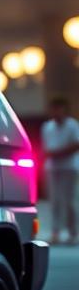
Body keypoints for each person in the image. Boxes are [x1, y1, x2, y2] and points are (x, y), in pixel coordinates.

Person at [41, 96, 79, 244]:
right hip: (53, 167)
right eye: (54, 109)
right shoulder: (47, 126)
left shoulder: (72, 125)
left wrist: (58, 153)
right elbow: (45, 148)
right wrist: (51, 154)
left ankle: (73, 232)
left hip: (69, 167)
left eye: (59, 109)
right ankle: (55, 232)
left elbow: (76, 145)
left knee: (70, 201)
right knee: (55, 201)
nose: (56, 112)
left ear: (64, 110)